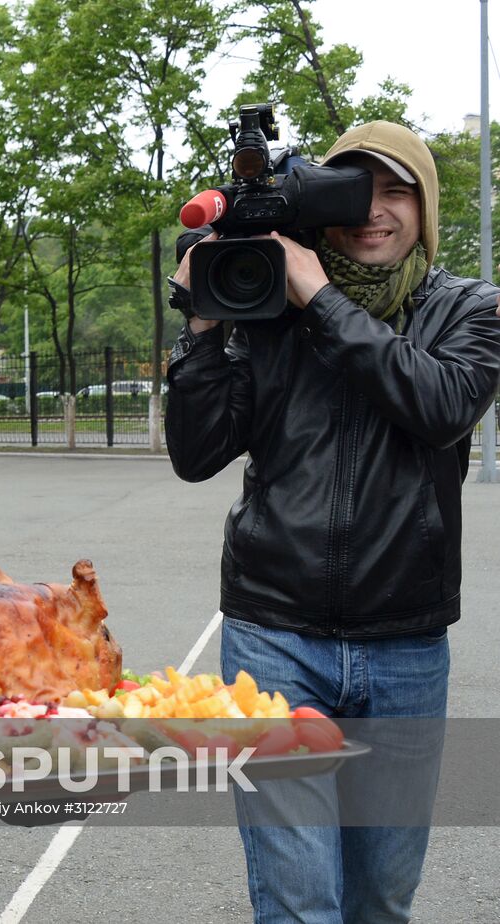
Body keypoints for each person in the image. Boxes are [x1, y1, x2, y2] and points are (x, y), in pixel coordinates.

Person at [166, 121, 500, 923]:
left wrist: (317, 294)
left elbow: (440, 404)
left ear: (426, 204)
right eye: (351, 193)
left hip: (406, 645)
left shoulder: (470, 308)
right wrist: (206, 320)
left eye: (394, 192)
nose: (372, 213)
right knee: (298, 899)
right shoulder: (267, 305)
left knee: (380, 898)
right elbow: (198, 450)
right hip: (273, 637)